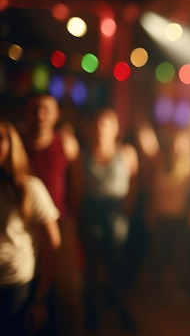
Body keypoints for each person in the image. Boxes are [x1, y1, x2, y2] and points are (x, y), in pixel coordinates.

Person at [20, 93, 83, 336]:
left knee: (65, 286)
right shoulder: (17, 142)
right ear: (27, 113)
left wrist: (71, 220)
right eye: (35, 109)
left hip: (60, 221)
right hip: (25, 223)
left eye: (46, 109)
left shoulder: (65, 144)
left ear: (56, 115)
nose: (40, 115)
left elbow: (76, 184)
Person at [72, 107, 139, 332]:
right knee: (91, 265)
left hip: (116, 211)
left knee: (116, 263)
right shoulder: (82, 155)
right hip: (92, 210)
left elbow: (133, 184)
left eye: (106, 124)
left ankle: (119, 308)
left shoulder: (127, 152)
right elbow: (78, 189)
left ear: (115, 128)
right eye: (98, 124)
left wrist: (127, 209)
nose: (101, 129)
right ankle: (91, 312)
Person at [0, 117, 62, 335]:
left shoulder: (29, 188)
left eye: (0, 138)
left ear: (11, 144)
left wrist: (40, 298)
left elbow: (53, 242)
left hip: (15, 286)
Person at [147, 126, 190, 303]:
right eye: (174, 143)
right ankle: (157, 290)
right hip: (161, 218)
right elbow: (153, 191)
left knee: (179, 257)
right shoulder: (160, 165)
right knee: (158, 255)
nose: (176, 147)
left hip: (180, 220)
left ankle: (179, 291)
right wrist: (151, 211)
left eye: (181, 144)